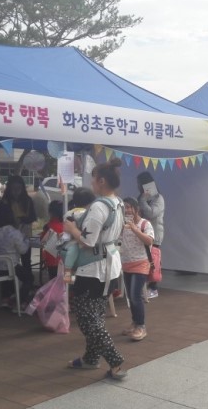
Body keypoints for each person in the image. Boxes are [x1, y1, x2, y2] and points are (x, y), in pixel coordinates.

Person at [63, 158, 127, 380]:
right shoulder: (118, 203)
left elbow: (87, 242)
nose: (91, 183)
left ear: (101, 181)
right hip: (110, 266)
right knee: (96, 314)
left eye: (93, 179)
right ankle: (91, 358)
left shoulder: (99, 207)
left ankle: (115, 362)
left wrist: (72, 228)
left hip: (93, 269)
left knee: (88, 319)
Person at [119, 197, 154, 342]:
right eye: (124, 208)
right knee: (130, 296)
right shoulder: (122, 224)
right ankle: (134, 323)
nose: (127, 210)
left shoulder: (145, 223)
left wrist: (134, 229)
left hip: (141, 263)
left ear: (136, 209)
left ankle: (141, 326)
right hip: (126, 263)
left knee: (135, 295)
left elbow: (149, 240)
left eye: (129, 207)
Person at [0, 175, 36, 294]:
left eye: (19, 189)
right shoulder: (4, 202)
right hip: (9, 236)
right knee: (11, 261)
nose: (16, 192)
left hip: (24, 234)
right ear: (9, 189)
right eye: (14, 189)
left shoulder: (27, 200)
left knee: (26, 260)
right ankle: (11, 288)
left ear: (22, 188)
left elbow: (33, 216)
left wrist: (23, 220)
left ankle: (27, 287)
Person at [0, 206, 31, 312]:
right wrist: (26, 240)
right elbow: (23, 250)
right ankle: (20, 301)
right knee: (28, 278)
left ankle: (6, 298)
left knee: (6, 277)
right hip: (10, 267)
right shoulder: (14, 233)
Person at [59, 188, 97, 283]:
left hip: (68, 239)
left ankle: (69, 271)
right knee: (74, 249)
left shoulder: (70, 212)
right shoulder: (83, 213)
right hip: (75, 239)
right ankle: (68, 271)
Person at [137, 172, 164, 299]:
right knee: (143, 260)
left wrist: (142, 200)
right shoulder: (141, 197)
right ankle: (143, 287)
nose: (138, 186)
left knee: (153, 260)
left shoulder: (158, 198)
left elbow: (152, 213)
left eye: (140, 184)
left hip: (154, 233)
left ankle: (153, 288)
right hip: (142, 232)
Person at [41, 200, 65, 281]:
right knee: (67, 282)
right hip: (66, 261)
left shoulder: (48, 226)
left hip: (52, 261)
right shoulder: (67, 226)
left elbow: (43, 242)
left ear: (50, 212)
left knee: (53, 282)